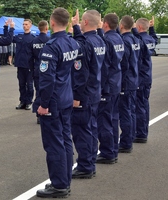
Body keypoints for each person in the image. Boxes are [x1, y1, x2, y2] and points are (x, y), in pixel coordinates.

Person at [36, 7, 79, 198]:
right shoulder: (72, 43)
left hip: (54, 101)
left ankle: (59, 185)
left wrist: (43, 104)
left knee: (54, 144)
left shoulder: (51, 46)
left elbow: (47, 79)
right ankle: (65, 179)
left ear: (52, 22)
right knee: (65, 140)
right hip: (66, 97)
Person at [70, 9, 106, 178]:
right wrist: (77, 28)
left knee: (82, 130)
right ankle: (89, 162)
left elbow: (80, 73)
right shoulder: (100, 40)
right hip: (95, 91)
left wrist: (76, 97)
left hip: (84, 94)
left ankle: (85, 166)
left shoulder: (87, 43)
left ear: (85, 22)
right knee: (91, 128)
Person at [96, 13, 124, 164]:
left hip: (107, 86)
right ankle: (112, 149)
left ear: (105, 24)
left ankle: (107, 152)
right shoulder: (119, 38)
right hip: (116, 83)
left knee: (105, 120)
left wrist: (101, 87)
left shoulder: (107, 40)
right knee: (113, 118)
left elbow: (104, 67)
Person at [131, 17, 157, 143]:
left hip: (141, 77)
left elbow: (139, 39)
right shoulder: (150, 39)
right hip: (147, 76)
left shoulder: (141, 40)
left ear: (139, 27)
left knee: (140, 106)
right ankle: (143, 130)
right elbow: (155, 39)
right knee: (144, 104)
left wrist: (133, 29)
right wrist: (152, 28)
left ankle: (141, 133)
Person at [118, 15, 141, 153]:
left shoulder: (125, 41)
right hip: (134, 79)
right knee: (131, 111)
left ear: (121, 25)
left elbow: (124, 63)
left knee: (126, 112)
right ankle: (130, 137)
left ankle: (126, 142)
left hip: (127, 81)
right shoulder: (135, 39)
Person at [13, 19, 35, 110]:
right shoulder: (19, 37)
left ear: (30, 25)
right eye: (23, 24)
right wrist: (8, 28)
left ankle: (29, 102)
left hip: (29, 65)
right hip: (20, 64)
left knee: (29, 85)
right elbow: (8, 38)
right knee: (21, 84)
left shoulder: (33, 38)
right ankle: (22, 101)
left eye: (26, 24)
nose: (24, 26)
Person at [31, 20, 50, 124]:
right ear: (46, 28)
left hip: (37, 69)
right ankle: (46, 111)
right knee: (47, 91)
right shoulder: (50, 40)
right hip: (48, 70)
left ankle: (38, 114)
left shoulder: (34, 41)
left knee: (38, 91)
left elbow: (30, 57)